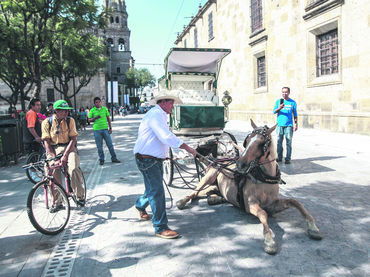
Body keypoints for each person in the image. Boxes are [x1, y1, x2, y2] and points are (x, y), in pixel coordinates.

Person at [133, 91, 197, 239]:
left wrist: (164, 154)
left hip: (151, 159)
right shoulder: (156, 115)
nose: (172, 107)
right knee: (157, 192)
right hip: (148, 160)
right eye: (171, 104)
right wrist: (188, 148)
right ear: (163, 102)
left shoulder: (159, 115)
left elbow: (158, 138)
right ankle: (160, 227)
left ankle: (139, 205)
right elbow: (166, 136)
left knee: (152, 188)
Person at [41, 100, 85, 207]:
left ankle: (79, 196)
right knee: (53, 170)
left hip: (69, 148)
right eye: (63, 111)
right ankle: (57, 201)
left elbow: (73, 139)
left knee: (74, 168)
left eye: (67, 111)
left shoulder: (70, 121)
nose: (66, 113)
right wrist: (54, 157)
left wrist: (65, 156)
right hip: (54, 149)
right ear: (56, 111)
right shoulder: (47, 122)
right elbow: (46, 142)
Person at [88, 97, 120, 165]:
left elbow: (108, 118)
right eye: (96, 102)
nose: (98, 103)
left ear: (101, 102)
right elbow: (89, 120)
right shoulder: (92, 110)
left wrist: (110, 128)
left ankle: (114, 158)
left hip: (105, 129)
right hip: (97, 130)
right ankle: (101, 159)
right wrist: (95, 118)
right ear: (94, 103)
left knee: (110, 144)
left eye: (99, 102)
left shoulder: (105, 109)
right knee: (99, 146)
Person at [273, 86, 298, 164]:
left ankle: (288, 158)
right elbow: (274, 111)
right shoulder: (278, 101)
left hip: (289, 125)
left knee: (288, 142)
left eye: (286, 92)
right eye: (283, 92)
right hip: (280, 125)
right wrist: (280, 108)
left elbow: (295, 114)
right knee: (279, 142)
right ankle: (279, 157)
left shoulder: (293, 102)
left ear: (289, 93)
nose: (284, 93)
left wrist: (296, 124)